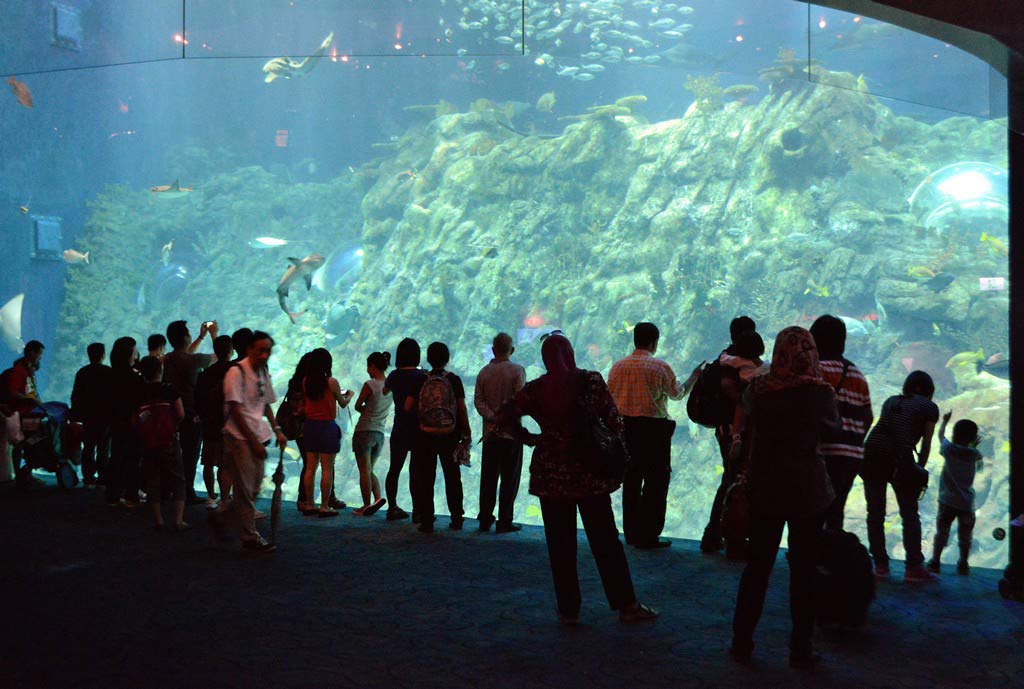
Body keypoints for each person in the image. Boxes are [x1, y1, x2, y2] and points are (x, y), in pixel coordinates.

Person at [497, 333, 657, 624]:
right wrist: (616, 456)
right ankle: (627, 605)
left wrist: (532, 438)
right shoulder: (590, 382)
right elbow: (613, 420)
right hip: (589, 474)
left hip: (550, 478)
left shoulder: (536, 389)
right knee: (605, 541)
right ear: (570, 353)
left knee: (560, 545)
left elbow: (505, 416)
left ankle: (568, 610)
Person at [729, 326, 838, 668]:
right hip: (807, 489)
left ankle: (741, 642)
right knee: (804, 570)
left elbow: (745, 418)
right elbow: (832, 426)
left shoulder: (759, 389)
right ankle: (800, 649)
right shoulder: (820, 392)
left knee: (758, 567)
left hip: (765, 486)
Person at [608, 322, 701, 549]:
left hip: (625, 429)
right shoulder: (659, 367)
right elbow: (677, 394)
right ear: (654, 342)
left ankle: (630, 533)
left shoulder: (617, 367)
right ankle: (648, 535)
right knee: (656, 482)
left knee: (630, 480)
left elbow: (609, 399)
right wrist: (695, 376)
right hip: (653, 431)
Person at [862, 370, 940, 583]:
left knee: (875, 513)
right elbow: (926, 442)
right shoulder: (929, 407)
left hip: (871, 453)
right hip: (900, 457)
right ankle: (913, 567)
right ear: (929, 391)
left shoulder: (891, 401)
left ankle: (880, 566)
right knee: (909, 514)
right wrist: (919, 468)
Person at [214, 330, 287, 552]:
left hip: (258, 436)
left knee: (254, 487)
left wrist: (277, 429)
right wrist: (252, 441)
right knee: (245, 489)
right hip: (238, 438)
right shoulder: (236, 372)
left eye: (268, 351)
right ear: (249, 350)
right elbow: (235, 409)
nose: (265, 355)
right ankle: (250, 537)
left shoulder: (263, 373)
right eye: (260, 350)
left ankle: (222, 514)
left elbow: (266, 404)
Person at [701, 319, 764, 557]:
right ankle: (726, 538)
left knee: (731, 480)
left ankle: (717, 535)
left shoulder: (726, 358)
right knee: (734, 481)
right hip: (734, 432)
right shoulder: (734, 363)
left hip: (728, 430)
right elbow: (735, 395)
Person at [810, 315, 873, 531]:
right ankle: (831, 557)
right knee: (836, 510)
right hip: (852, 457)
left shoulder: (817, 370)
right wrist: (852, 439)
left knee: (814, 509)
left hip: (824, 453)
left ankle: (811, 558)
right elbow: (868, 416)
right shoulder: (858, 374)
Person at [410, 342, 470, 533]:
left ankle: (427, 520)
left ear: (428, 359)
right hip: (449, 434)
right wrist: (466, 431)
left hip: (424, 435)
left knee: (426, 477)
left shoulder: (420, 380)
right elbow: (461, 408)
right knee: (452, 476)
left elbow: (408, 406)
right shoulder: (454, 380)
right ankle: (457, 518)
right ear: (447, 359)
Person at [474, 332, 526, 533]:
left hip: (490, 434)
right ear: (511, 350)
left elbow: (478, 401)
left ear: (493, 350)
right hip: (511, 434)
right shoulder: (517, 371)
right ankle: (505, 520)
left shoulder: (484, 372)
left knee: (488, 478)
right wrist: (505, 417)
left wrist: (493, 417)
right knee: (509, 478)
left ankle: (485, 519)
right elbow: (520, 400)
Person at [162, 320, 217, 504]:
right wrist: (213, 335)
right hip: (190, 414)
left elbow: (184, 354)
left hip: (170, 415)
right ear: (186, 337)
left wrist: (201, 337)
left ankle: (171, 489)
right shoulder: (193, 360)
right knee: (190, 454)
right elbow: (219, 356)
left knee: (173, 453)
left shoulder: (168, 359)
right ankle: (187, 492)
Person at [299, 348, 354, 518]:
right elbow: (342, 403)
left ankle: (309, 504)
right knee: (327, 468)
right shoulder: (331, 382)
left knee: (310, 467)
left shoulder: (306, 381)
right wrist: (350, 395)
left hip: (309, 426)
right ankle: (324, 506)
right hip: (327, 427)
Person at [134, 356, 187, 531]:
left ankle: (159, 521)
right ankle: (178, 521)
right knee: (178, 478)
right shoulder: (169, 389)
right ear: (160, 370)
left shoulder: (140, 392)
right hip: (170, 440)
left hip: (148, 442)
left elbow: (133, 419)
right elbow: (180, 413)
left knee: (153, 479)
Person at [927, 411, 983, 575]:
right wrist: (972, 446)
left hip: (947, 502)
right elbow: (978, 465)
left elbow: (940, 435)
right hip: (966, 503)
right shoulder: (974, 454)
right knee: (965, 536)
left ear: (954, 434)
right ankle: (963, 563)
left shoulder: (949, 450)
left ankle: (935, 561)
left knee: (942, 533)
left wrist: (944, 422)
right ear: (973, 438)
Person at [382, 338, 427, 521]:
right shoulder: (422, 376)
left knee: (395, 468)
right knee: (417, 469)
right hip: (418, 428)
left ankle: (392, 507)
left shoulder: (394, 375)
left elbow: (385, 391)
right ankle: (417, 510)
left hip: (399, 427)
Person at [195, 335, 235, 508]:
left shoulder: (206, 373)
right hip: (228, 422)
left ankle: (211, 495)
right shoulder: (234, 370)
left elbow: (199, 397)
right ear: (232, 351)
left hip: (209, 421)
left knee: (208, 461)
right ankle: (225, 496)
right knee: (224, 463)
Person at [350, 351, 392, 516]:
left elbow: (357, 405)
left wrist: (363, 410)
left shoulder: (370, 384)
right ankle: (378, 498)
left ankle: (365, 505)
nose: (367, 370)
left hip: (364, 431)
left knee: (363, 471)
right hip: (379, 434)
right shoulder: (390, 385)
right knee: (369, 470)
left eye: (368, 367)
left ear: (373, 366)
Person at [105, 337, 144, 508]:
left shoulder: (111, 374)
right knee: (133, 459)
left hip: (115, 421)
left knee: (116, 457)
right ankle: (131, 495)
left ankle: (112, 495)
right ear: (130, 354)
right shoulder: (134, 376)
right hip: (132, 422)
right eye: (134, 350)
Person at [70, 342, 113, 487]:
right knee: (104, 448)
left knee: (88, 447)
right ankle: (103, 477)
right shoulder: (108, 372)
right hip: (105, 417)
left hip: (88, 417)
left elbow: (75, 396)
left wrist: (75, 415)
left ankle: (88, 477)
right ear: (103, 355)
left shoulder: (82, 373)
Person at [6, 340, 44, 416]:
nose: (40, 358)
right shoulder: (19, 371)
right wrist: (32, 400)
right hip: (21, 413)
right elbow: (13, 392)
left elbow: (31, 392)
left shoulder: (28, 370)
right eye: (40, 354)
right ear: (32, 353)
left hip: (28, 410)